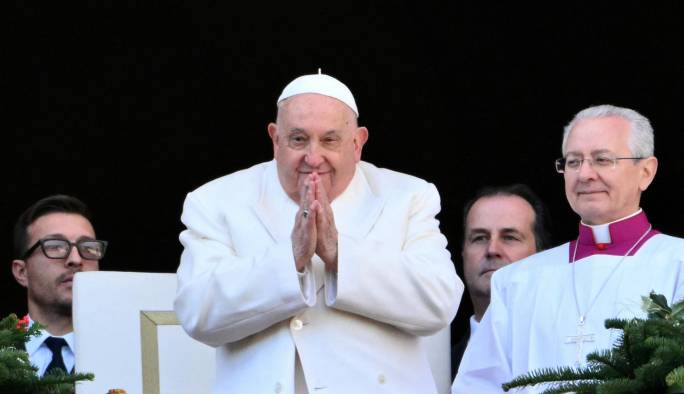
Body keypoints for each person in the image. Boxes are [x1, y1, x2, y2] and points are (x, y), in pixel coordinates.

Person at [174, 71, 464, 393]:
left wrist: (341, 254)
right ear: (275, 139)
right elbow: (198, 312)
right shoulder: (216, 201)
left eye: (330, 140)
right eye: (298, 139)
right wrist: (290, 260)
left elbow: (439, 302)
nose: (313, 158)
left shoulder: (407, 196)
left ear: (357, 143)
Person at [452, 105, 684, 393]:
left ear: (646, 172)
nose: (585, 174)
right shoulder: (516, 281)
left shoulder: (678, 264)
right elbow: (478, 385)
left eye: (602, 159)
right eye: (573, 162)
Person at [451, 184, 551, 380]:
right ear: (462, 253)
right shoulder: (434, 367)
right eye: (479, 238)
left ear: (542, 254)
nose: (492, 249)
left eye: (509, 237)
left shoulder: (570, 350)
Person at [10, 194, 106, 376]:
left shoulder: (127, 352)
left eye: (88, 247)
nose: (76, 259)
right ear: (22, 272)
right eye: (55, 246)